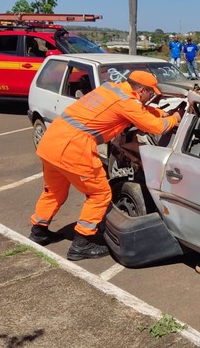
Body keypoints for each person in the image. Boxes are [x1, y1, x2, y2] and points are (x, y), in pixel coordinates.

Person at [28, 71, 181, 260]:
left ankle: (39, 231)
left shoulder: (112, 90)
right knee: (99, 194)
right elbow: (158, 127)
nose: (153, 97)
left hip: (52, 142)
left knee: (54, 191)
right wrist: (175, 118)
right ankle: (82, 244)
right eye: (152, 94)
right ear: (142, 90)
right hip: (73, 148)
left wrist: (163, 113)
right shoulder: (127, 102)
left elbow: (139, 111)